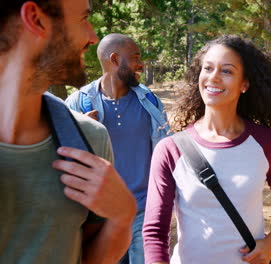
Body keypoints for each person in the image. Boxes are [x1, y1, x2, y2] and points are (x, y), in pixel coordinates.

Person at [0, 1, 137, 263]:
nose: (93, 37)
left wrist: (122, 219)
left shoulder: (89, 139)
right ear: (35, 19)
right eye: (83, 19)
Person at [142, 35, 271, 264]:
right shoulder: (171, 150)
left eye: (227, 71)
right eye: (208, 68)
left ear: (244, 84)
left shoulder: (266, 142)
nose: (213, 77)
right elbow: (155, 231)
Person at [66, 33, 170, 264]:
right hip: (97, 216)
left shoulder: (149, 101)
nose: (141, 64)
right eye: (135, 57)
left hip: (143, 210)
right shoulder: (77, 103)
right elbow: (57, 155)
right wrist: (79, 130)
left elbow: (167, 151)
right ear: (114, 60)